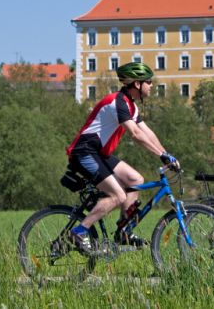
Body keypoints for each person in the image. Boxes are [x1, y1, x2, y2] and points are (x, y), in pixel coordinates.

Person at [66, 62, 179, 253]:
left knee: (135, 179)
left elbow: (148, 133)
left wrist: (167, 154)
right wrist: (161, 155)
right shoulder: (118, 102)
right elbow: (135, 134)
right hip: (84, 153)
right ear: (137, 84)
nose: (151, 85)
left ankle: (123, 232)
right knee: (118, 195)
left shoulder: (131, 106)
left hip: (99, 154)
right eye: (148, 81)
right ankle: (79, 231)